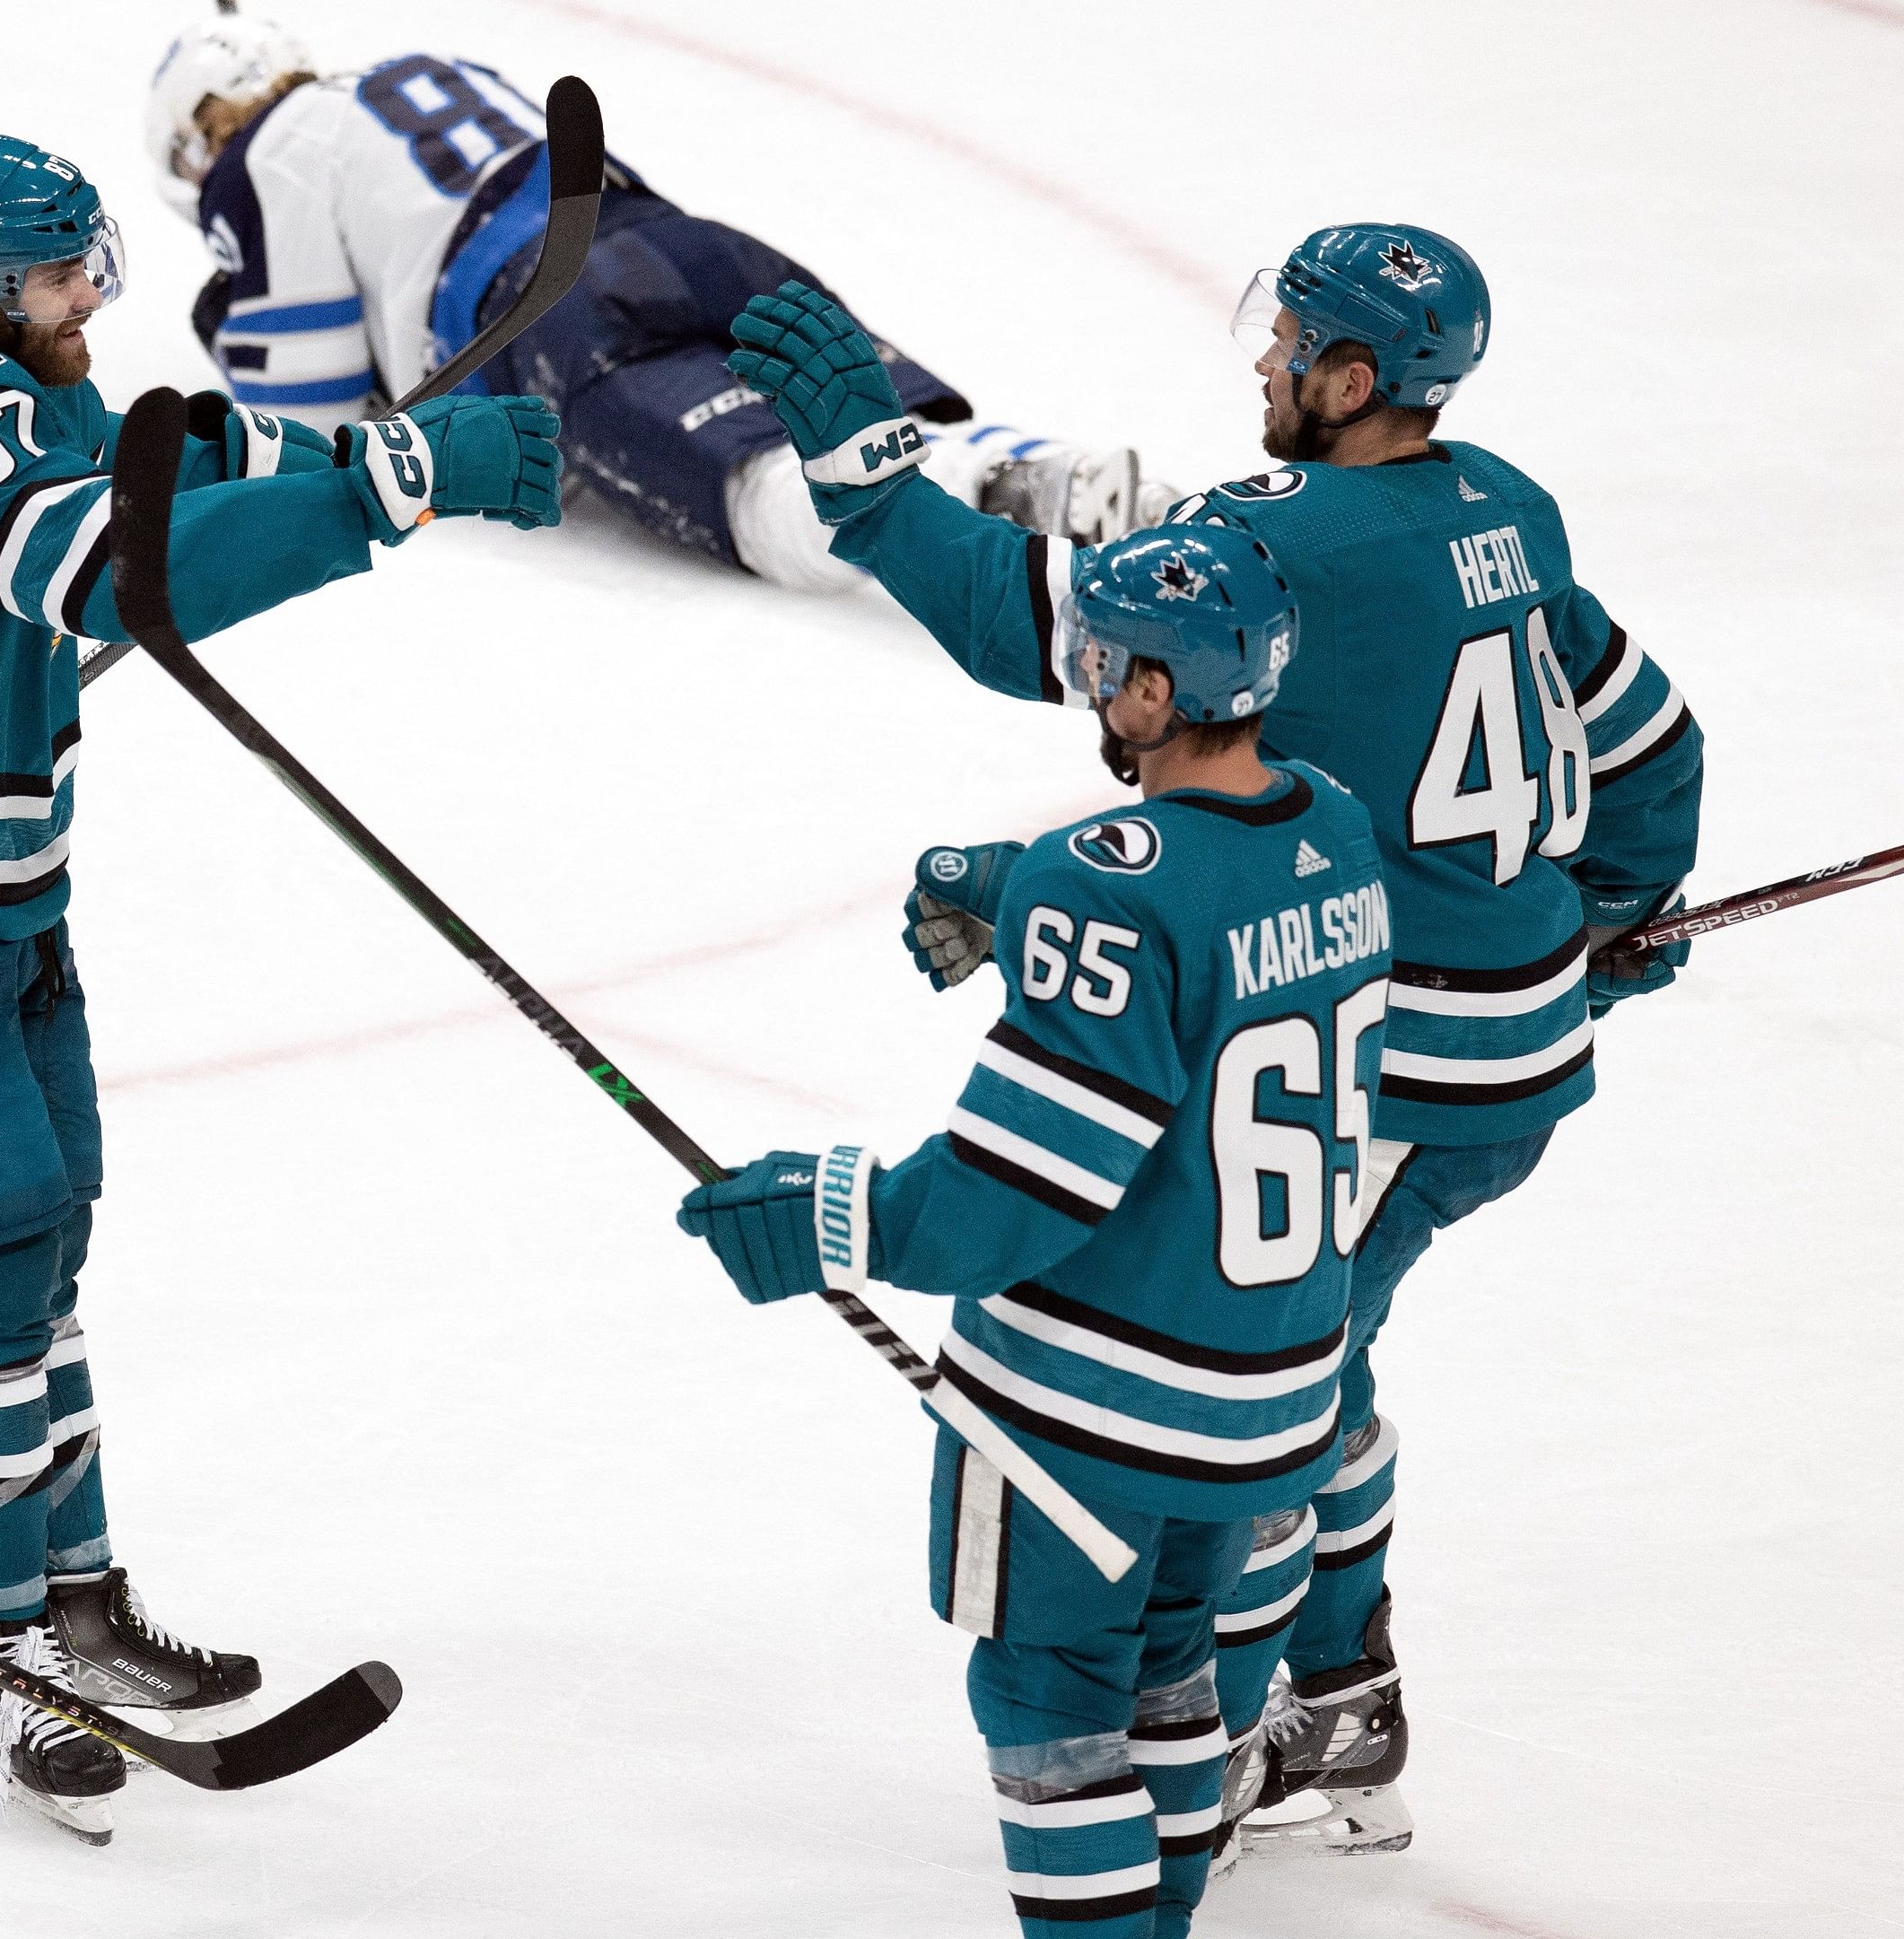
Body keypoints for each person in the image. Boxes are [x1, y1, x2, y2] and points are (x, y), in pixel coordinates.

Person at [727, 224, 1707, 1859]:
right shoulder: (1507, 506)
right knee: (1315, 1352)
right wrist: (1612, 909)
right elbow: (1647, 733)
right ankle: (1327, 1685)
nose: (1259, 362)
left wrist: (866, 480)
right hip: (1507, 1043)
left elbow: (1033, 623)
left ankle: (1274, 1710)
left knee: (1266, 1373)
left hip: (1400, 1057)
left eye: (1291, 342)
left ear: (1352, 378)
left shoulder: (1288, 545)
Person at [0, 128, 559, 1844]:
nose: (91, 295)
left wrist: (374, 451)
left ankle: (78, 1597)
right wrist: (403, 485)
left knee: (51, 1234)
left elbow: (179, 462)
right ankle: (8, 1654)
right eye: (58, 277)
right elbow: (134, 574)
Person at [681, 528, 1386, 1937]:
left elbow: (1013, 1197)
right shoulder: (1335, 824)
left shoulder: (1105, 877)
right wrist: (1022, 895)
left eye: (1099, 659)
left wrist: (833, 1214)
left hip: (1094, 1407)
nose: (1081, 678)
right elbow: (1212, 934)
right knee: (1173, 1676)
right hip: (1274, 1388)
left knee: (1051, 1706)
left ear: (1147, 692)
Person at [140, 4, 1169, 591]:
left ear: (202, 133)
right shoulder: (422, 65)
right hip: (677, 240)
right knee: (849, 403)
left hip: (545, 309)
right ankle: (1052, 473)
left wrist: (224, 319)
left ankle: (993, 509)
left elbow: (312, 410)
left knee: (766, 490)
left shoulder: (260, 156)